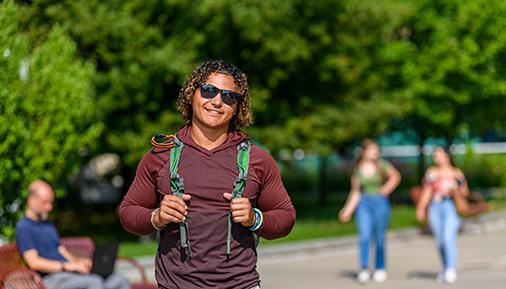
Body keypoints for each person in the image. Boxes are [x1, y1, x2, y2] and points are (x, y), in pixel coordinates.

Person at [119, 60, 296, 289]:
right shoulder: (160, 156)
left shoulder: (257, 159)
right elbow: (127, 213)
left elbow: (286, 217)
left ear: (237, 107)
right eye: (209, 90)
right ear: (192, 94)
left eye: (229, 96)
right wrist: (157, 216)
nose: (217, 101)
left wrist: (255, 218)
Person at [15, 180, 130, 289]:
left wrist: (78, 262)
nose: (49, 207)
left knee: (118, 279)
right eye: (45, 203)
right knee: (94, 282)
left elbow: (60, 249)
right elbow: (34, 262)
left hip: (67, 273)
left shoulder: (47, 225)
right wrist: (65, 266)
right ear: (31, 200)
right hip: (50, 278)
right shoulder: (24, 228)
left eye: (50, 202)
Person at [338, 139, 401, 283]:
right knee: (364, 237)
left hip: (380, 203)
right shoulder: (358, 169)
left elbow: (396, 176)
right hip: (363, 205)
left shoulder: (382, 165)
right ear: (364, 152)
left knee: (379, 238)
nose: (375, 152)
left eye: (376, 150)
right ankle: (364, 268)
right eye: (372, 150)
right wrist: (347, 210)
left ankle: (380, 267)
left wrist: (385, 190)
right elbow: (355, 192)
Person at [416, 146, 469, 284]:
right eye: (434, 155)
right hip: (435, 206)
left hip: (451, 206)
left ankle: (451, 269)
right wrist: (421, 208)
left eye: (438, 155)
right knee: (440, 241)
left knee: (447, 238)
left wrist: (455, 190)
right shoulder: (431, 173)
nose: (436, 158)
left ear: (447, 156)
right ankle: (445, 268)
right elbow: (427, 191)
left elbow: (465, 192)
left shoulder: (456, 173)